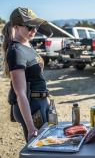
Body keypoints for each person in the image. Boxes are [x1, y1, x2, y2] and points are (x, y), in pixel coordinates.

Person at [2, 7, 52, 142]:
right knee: (41, 149)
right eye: (30, 27)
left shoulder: (27, 44)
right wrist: (31, 128)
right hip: (31, 106)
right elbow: (21, 93)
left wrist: (48, 103)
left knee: (49, 146)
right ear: (16, 27)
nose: (34, 30)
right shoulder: (16, 51)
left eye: (36, 26)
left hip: (40, 103)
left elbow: (38, 79)